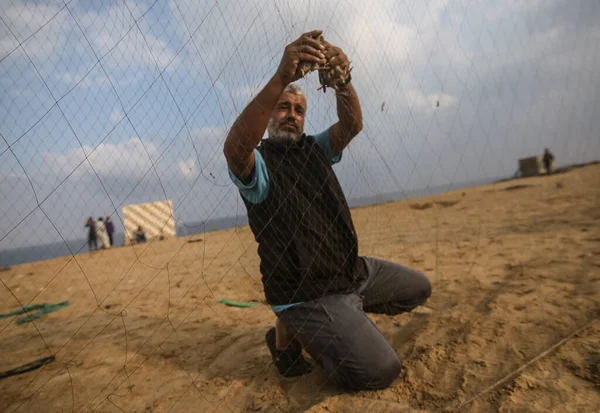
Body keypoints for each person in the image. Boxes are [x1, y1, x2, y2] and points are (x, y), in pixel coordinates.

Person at [223, 30, 432, 391]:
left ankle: (329, 326)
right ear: (269, 115)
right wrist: (281, 79)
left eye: (299, 110)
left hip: (349, 272)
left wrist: (343, 82)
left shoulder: (315, 150)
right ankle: (311, 335)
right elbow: (235, 149)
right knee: (380, 370)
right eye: (283, 107)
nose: (291, 115)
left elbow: (352, 125)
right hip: (308, 293)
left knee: (418, 289)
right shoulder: (260, 165)